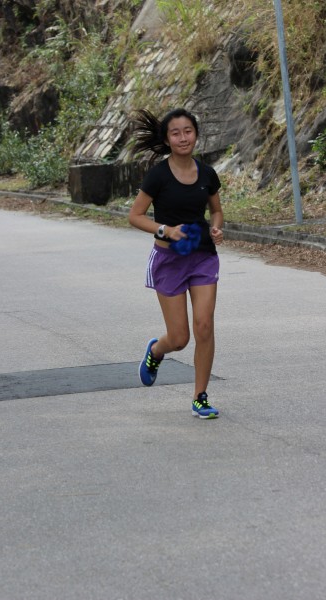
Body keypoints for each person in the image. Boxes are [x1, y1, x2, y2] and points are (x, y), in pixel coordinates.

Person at [128, 108, 224, 419]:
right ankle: (157, 351)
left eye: (188, 131)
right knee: (180, 338)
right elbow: (135, 216)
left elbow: (216, 211)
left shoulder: (207, 174)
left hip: (202, 256)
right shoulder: (158, 175)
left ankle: (200, 397)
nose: (183, 138)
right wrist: (165, 230)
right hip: (168, 260)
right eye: (176, 133)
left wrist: (217, 228)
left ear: (196, 134)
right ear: (168, 139)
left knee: (204, 325)